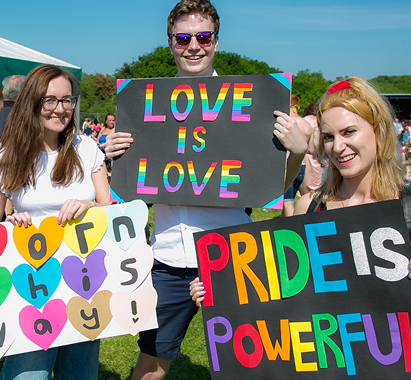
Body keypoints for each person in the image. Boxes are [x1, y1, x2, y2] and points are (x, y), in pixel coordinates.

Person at [102, 1, 310, 379]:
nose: (193, 45)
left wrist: (294, 156)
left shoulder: (248, 104)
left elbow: (268, 188)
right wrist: (114, 160)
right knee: (152, 361)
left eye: (203, 36)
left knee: (246, 363)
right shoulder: (144, 105)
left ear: (216, 41)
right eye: (183, 37)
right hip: (165, 257)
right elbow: (129, 194)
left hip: (231, 253)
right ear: (170, 44)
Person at [192, 77, 411, 315]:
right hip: (321, 353)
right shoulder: (309, 207)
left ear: (379, 131)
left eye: (349, 132)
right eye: (328, 137)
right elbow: (281, 286)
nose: (338, 147)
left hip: (384, 354)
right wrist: (218, 290)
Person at [0, 64, 110, 380]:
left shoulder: (87, 148)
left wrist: (89, 204)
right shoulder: (8, 156)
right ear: (32, 102)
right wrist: (9, 222)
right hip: (31, 283)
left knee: (79, 372)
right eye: (49, 100)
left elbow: (110, 208)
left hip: (83, 279)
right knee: (28, 373)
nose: (60, 109)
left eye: (67, 100)